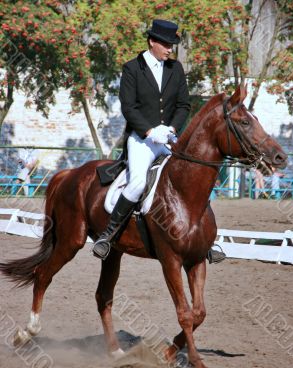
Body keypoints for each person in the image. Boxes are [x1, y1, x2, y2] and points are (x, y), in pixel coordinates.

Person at [93, 19, 225, 264]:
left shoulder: (176, 69)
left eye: (172, 44)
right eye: (166, 44)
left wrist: (172, 128)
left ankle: (205, 240)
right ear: (152, 41)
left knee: (191, 181)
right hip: (142, 140)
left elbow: (184, 104)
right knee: (138, 183)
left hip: (168, 139)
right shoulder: (132, 68)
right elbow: (128, 107)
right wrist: (149, 131)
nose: (170, 49)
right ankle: (108, 235)